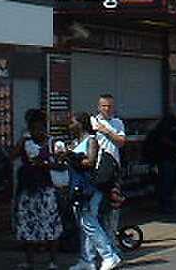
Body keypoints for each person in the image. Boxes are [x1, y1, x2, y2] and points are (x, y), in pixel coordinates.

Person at [68, 112, 121, 270]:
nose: (69, 126)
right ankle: (87, 260)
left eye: (72, 122)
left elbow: (90, 162)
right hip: (77, 186)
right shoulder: (75, 142)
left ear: (81, 124)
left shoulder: (91, 140)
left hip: (89, 188)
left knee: (89, 222)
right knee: (84, 225)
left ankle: (109, 255)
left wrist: (71, 156)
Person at [13, 109, 61, 270]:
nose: (37, 132)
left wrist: (45, 164)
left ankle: (53, 261)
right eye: (34, 129)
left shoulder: (52, 142)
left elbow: (62, 164)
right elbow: (10, 156)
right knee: (28, 227)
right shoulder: (25, 142)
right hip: (28, 189)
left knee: (50, 226)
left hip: (47, 189)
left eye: (40, 129)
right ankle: (29, 261)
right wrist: (21, 142)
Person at [91, 94, 126, 240]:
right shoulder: (93, 122)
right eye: (104, 106)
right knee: (97, 205)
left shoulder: (117, 122)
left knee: (114, 204)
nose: (107, 108)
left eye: (109, 106)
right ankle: (99, 241)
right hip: (98, 170)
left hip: (114, 169)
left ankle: (112, 240)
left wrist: (107, 131)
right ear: (99, 107)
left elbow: (121, 141)